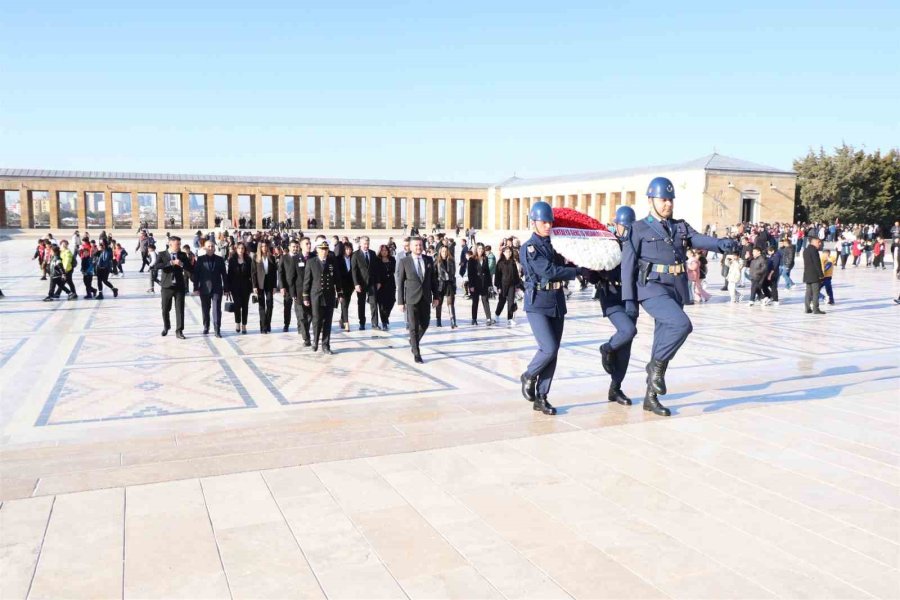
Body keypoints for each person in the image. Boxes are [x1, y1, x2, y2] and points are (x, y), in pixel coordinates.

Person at [620, 176, 738, 416]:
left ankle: (650, 398)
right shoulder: (638, 228)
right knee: (681, 325)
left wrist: (722, 244)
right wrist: (629, 301)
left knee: (662, 339)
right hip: (651, 288)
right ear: (651, 200)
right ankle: (655, 367)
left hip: (675, 287)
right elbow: (627, 266)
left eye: (670, 200)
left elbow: (699, 239)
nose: (668, 204)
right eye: (663, 199)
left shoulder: (680, 226)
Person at [520, 201, 591, 415]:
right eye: (543, 222)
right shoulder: (529, 247)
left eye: (550, 222)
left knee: (554, 352)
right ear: (533, 222)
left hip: (557, 301)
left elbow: (565, 263)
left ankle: (542, 396)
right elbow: (548, 271)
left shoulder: (556, 244)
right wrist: (576, 272)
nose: (548, 226)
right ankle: (529, 375)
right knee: (548, 348)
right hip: (537, 302)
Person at [596, 206, 639, 406]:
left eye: (630, 227)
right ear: (617, 226)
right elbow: (593, 270)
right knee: (628, 330)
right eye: (624, 226)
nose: (626, 230)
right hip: (612, 296)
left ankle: (615, 388)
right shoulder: (608, 244)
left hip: (631, 297)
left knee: (626, 347)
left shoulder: (638, 245)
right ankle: (607, 348)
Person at [396, 236, 439, 363]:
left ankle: (413, 341)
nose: (419, 247)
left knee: (425, 323)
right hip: (411, 298)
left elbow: (433, 280)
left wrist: (436, 297)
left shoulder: (428, 260)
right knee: (413, 326)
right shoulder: (404, 261)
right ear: (410, 247)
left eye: (420, 245)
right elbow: (400, 283)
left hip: (425, 297)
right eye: (416, 245)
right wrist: (400, 302)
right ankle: (416, 353)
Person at [302, 240, 342, 354]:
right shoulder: (311, 262)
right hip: (316, 295)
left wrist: (340, 293)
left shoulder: (332, 262)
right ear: (317, 250)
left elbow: (337, 278)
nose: (324, 251)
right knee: (317, 320)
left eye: (326, 249)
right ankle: (315, 341)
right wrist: (305, 297)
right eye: (322, 249)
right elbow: (307, 281)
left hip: (329, 295)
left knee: (328, 321)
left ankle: (326, 345)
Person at [156, 236, 192, 338]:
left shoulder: (182, 255)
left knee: (180, 309)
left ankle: (179, 331)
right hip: (166, 286)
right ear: (170, 244)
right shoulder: (162, 254)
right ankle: (166, 326)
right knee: (165, 309)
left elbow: (189, 267)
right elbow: (156, 266)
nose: (179, 246)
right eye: (177, 244)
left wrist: (182, 264)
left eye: (180, 244)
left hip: (179, 286)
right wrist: (170, 263)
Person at [281, 238, 313, 345]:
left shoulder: (314, 257)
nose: (309, 245)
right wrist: (292, 292)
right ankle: (306, 338)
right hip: (299, 292)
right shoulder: (295, 259)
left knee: (311, 315)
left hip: (312, 291)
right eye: (307, 244)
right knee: (302, 315)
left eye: (310, 243)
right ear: (301, 246)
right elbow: (291, 277)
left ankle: (305, 330)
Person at [194, 240, 227, 337]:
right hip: (204, 288)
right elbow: (196, 274)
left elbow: (224, 275)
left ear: (214, 248)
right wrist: (196, 288)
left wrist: (226, 288)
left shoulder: (220, 259)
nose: (211, 248)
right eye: (208, 246)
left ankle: (217, 329)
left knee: (216, 309)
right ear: (205, 248)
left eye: (212, 246)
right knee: (205, 309)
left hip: (217, 288)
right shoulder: (200, 259)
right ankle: (206, 326)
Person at [351, 236, 380, 330]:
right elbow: (354, 270)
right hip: (361, 283)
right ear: (360, 244)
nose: (366, 246)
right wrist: (356, 284)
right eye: (364, 244)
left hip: (372, 283)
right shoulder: (355, 254)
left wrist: (378, 281)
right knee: (361, 304)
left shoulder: (372, 253)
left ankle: (375, 323)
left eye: (367, 244)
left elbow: (376, 268)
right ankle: (362, 323)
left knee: (374, 303)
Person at [226, 242, 253, 334]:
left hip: (246, 286)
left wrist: (253, 286)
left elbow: (252, 274)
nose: (241, 250)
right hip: (235, 286)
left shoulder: (248, 260)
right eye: (239, 248)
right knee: (237, 306)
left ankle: (244, 325)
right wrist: (227, 288)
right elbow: (229, 274)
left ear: (244, 250)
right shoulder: (232, 260)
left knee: (245, 306)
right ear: (236, 249)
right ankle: (237, 323)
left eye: (242, 248)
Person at [252, 241, 278, 334]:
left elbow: (274, 273)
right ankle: (263, 326)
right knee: (261, 305)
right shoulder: (256, 257)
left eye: (265, 246)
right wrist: (254, 286)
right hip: (260, 282)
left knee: (270, 303)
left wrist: (275, 286)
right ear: (259, 247)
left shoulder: (271, 257)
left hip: (269, 282)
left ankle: (268, 323)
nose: (264, 248)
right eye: (262, 246)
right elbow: (253, 272)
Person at [467, 243, 494, 326]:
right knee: (475, 301)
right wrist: (471, 285)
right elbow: (470, 273)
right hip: (475, 283)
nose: (481, 250)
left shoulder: (485, 258)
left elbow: (487, 272)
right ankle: (474, 319)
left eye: (482, 248)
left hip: (484, 283)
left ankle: (488, 318)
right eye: (479, 248)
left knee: (485, 300)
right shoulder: (472, 259)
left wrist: (490, 284)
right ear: (476, 249)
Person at [493, 246, 521, 325]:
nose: (509, 253)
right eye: (507, 252)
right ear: (503, 253)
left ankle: (510, 318)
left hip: (511, 285)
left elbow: (516, 274)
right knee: (502, 301)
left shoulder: (513, 262)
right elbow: (497, 276)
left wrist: (517, 284)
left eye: (510, 252)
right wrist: (498, 286)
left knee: (511, 301)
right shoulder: (500, 263)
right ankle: (497, 314)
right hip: (502, 285)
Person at [278, 240, 301, 333]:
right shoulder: (284, 258)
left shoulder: (301, 257)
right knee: (287, 307)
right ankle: (286, 324)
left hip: (298, 287)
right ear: (289, 247)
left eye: (297, 246)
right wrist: (282, 286)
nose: (295, 248)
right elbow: (280, 273)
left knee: (299, 308)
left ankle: (300, 326)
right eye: (293, 246)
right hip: (287, 287)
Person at [433, 244, 457, 328]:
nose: (444, 253)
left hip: (449, 284)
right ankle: (438, 320)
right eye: (443, 251)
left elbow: (453, 273)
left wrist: (453, 283)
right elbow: (434, 275)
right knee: (439, 303)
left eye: (446, 251)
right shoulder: (436, 262)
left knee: (451, 303)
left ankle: (453, 320)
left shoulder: (451, 261)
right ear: (440, 252)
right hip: (440, 284)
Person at [802, 234, 826, 314]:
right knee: (816, 293)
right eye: (818, 242)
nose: (820, 244)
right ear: (813, 242)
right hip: (814, 275)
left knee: (808, 292)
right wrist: (821, 275)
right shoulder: (814, 250)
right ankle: (816, 309)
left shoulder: (806, 250)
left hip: (807, 274)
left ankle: (807, 308)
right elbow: (817, 264)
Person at [375, 244, 397, 330]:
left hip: (390, 283)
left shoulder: (392, 259)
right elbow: (377, 272)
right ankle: (384, 322)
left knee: (392, 301)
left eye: (385, 250)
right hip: (381, 284)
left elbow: (393, 270)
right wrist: (378, 281)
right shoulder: (377, 260)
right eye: (382, 250)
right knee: (382, 305)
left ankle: (386, 316)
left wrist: (387, 274)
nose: (384, 252)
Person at [336, 242, 355, 332]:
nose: (348, 251)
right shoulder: (338, 259)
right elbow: (337, 273)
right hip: (341, 285)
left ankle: (342, 319)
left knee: (346, 304)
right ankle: (346, 323)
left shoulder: (353, 258)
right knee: (343, 304)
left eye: (350, 249)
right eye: (346, 249)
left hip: (350, 285)